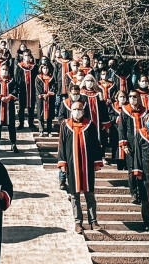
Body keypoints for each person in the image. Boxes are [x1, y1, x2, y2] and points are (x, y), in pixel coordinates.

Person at [57, 102, 104, 233]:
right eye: (75, 109)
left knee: (90, 195)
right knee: (74, 195)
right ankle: (78, 222)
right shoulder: (65, 125)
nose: (77, 111)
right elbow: (61, 145)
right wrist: (62, 163)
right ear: (71, 111)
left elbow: (95, 144)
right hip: (72, 166)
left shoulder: (90, 125)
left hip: (87, 165)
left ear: (83, 111)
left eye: (79, 109)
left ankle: (93, 221)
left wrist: (96, 162)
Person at [119, 90, 149, 204]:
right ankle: (134, 194)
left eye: (135, 96)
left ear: (139, 98)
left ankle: (145, 193)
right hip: (131, 145)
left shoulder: (145, 111)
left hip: (144, 145)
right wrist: (124, 144)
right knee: (132, 170)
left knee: (143, 169)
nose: (132, 98)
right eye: (131, 96)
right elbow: (122, 128)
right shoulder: (125, 110)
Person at [0, 65, 19, 153]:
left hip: (9, 105)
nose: (4, 71)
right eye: (3, 69)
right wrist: (0, 97)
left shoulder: (12, 80)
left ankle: (13, 144)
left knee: (11, 126)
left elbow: (16, 90)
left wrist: (9, 97)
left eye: (6, 70)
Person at [15, 50, 38, 131]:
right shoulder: (19, 66)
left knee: (31, 108)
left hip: (32, 90)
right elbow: (17, 78)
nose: (27, 57)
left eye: (28, 55)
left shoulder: (34, 67)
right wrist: (16, 89)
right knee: (21, 108)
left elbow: (36, 78)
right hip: (22, 90)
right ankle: (21, 124)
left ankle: (31, 124)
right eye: (25, 55)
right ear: (23, 56)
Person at [35, 64, 56, 137]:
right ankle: (41, 131)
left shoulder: (52, 78)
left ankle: (49, 131)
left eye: (47, 68)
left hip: (49, 98)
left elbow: (53, 87)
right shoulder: (38, 78)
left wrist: (48, 94)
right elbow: (37, 87)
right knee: (41, 115)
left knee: (49, 116)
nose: (45, 70)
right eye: (44, 68)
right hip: (41, 99)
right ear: (41, 69)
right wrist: (42, 94)